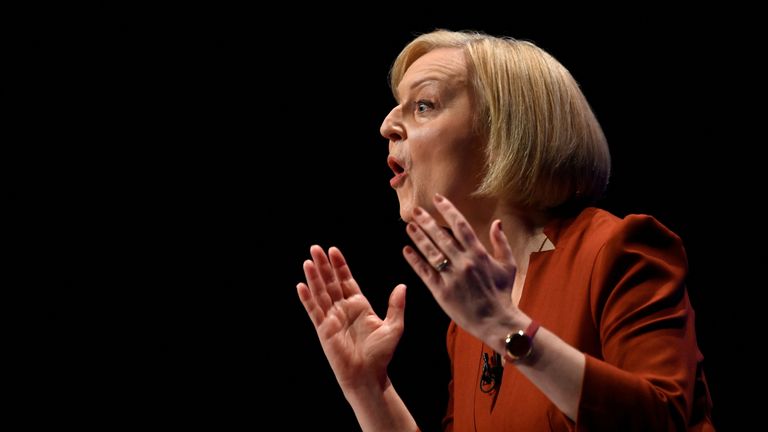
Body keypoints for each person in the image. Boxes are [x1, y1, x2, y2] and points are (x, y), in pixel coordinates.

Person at [296, 29, 714, 431]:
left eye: (423, 105)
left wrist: (505, 328)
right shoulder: (470, 318)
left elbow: (663, 421)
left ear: (503, 133)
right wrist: (369, 388)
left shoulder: (615, 250)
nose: (387, 126)